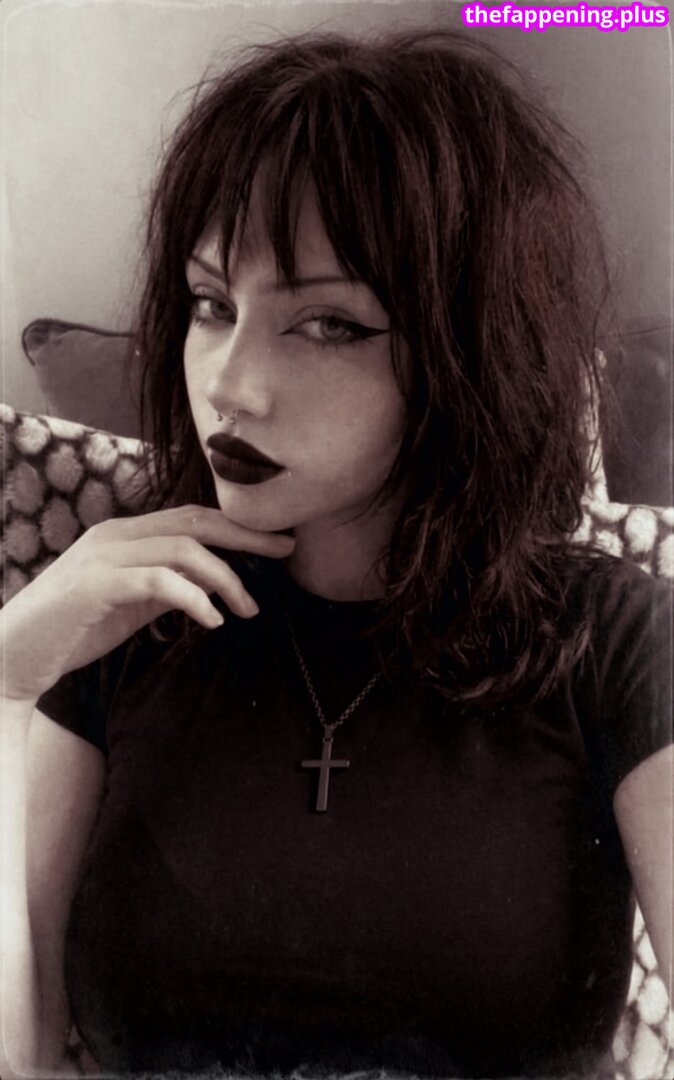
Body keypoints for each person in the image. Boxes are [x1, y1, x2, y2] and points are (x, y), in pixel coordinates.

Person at [1, 26, 672, 1080]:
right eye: (211, 305)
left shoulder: (618, 641)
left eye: (326, 325)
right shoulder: (119, 619)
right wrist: (5, 679)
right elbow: (19, 1047)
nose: (229, 385)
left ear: (469, 352)